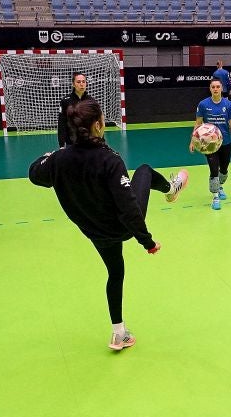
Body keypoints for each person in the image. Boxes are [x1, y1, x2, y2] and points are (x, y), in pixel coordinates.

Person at [29, 99, 188, 350]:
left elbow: (34, 172)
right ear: (98, 125)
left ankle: (119, 333)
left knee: (115, 273)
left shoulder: (59, 160)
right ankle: (171, 188)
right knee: (144, 170)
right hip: (120, 227)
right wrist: (147, 241)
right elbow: (129, 209)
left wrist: (54, 155)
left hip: (95, 231)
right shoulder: (109, 160)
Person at [191, 78, 231, 210]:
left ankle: (220, 185)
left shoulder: (228, 105)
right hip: (209, 145)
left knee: (223, 170)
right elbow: (198, 123)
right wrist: (192, 140)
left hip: (226, 143)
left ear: (221, 88)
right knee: (213, 170)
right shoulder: (203, 104)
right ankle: (215, 197)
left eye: (218, 87)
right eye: (213, 87)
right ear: (210, 88)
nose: (216, 89)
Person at [57, 72, 90, 148]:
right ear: (73, 84)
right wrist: (61, 144)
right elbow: (62, 123)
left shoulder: (91, 101)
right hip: (71, 143)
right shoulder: (65, 101)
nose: (81, 84)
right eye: (78, 82)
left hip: (88, 142)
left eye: (83, 82)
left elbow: (96, 123)